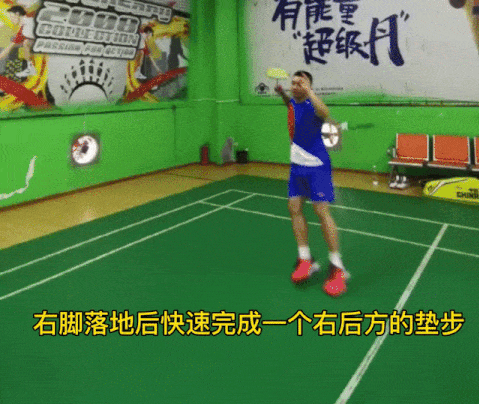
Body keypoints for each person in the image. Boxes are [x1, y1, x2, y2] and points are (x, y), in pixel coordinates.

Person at [275, 71, 350, 297]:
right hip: (297, 166)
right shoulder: (293, 104)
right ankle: (305, 259)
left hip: (317, 166)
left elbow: (325, 113)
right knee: (294, 208)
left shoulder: (313, 104)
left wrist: (309, 91)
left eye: (301, 83)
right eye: (293, 82)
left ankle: (337, 266)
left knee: (321, 211)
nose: (295, 85)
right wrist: (282, 94)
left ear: (308, 86)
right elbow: (290, 105)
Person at [0, 5, 37, 78]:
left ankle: (30, 68)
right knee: (24, 43)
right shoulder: (23, 28)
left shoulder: (27, 23)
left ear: (17, 14)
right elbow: (9, 48)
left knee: (25, 43)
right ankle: (30, 67)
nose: (11, 19)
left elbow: (8, 49)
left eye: (12, 16)